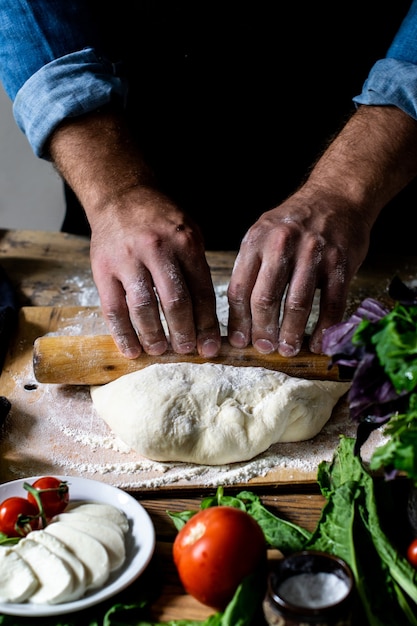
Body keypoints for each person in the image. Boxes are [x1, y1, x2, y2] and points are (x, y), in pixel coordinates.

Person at [0, 1, 415, 361]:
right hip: (131, 140)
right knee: (138, 294)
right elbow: (30, 11)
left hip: (377, 184)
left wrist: (346, 190)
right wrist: (115, 194)